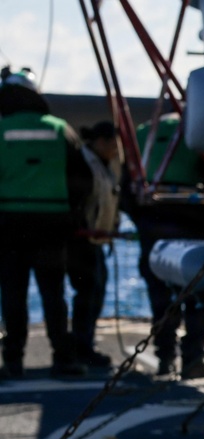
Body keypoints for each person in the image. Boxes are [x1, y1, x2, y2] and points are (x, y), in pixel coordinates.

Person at [0, 67, 92, 378]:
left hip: (9, 225)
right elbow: (83, 178)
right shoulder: (59, 128)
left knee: (13, 295)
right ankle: (63, 359)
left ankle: (12, 361)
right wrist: (73, 216)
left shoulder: (1, 129)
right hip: (52, 225)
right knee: (54, 294)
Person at [124, 112, 204, 380]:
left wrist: (141, 218)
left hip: (152, 224)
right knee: (198, 291)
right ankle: (193, 359)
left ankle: (165, 359)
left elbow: (126, 187)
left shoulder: (143, 133)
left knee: (160, 296)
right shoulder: (197, 129)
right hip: (192, 222)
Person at [68, 120, 122, 368]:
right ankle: (81, 346)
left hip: (97, 239)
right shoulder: (83, 162)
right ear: (98, 142)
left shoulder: (106, 165)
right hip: (83, 239)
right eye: (110, 142)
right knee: (88, 293)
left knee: (95, 291)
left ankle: (84, 343)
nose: (114, 148)